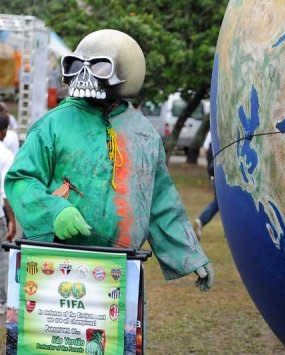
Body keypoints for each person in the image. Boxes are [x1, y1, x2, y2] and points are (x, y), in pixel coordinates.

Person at [5, 29, 213, 291]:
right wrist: (54, 211)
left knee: (118, 333)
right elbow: (20, 179)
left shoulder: (144, 135)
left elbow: (160, 201)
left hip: (121, 272)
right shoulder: (52, 125)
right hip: (56, 265)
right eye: (76, 66)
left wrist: (189, 254)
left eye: (98, 67)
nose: (84, 75)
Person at [0, 112, 16, 314]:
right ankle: (1, 300)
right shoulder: (6, 155)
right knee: (1, 260)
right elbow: (6, 193)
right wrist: (12, 220)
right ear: (3, 132)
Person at [193, 131, 219, 240]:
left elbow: (205, 150)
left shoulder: (210, 132)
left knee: (220, 202)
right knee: (219, 202)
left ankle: (201, 221)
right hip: (219, 172)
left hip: (213, 171)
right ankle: (201, 220)